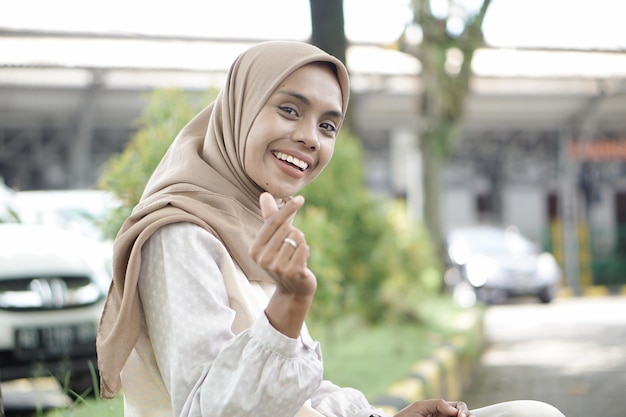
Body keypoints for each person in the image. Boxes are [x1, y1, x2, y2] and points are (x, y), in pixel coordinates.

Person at [96, 40, 566, 417]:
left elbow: (295, 396)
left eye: (328, 125)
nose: (309, 137)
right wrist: (291, 303)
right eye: (288, 110)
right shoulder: (179, 234)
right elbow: (207, 410)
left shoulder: (251, 223)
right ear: (240, 109)